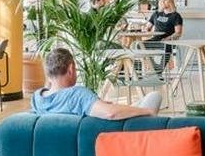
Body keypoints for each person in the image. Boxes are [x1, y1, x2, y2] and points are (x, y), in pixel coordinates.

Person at [31, 48, 161, 119]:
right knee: (154, 97)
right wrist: (146, 111)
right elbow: (111, 114)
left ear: (48, 74)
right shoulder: (78, 95)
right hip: (115, 135)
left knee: (133, 105)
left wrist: (97, 103)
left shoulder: (37, 98)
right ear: (71, 69)